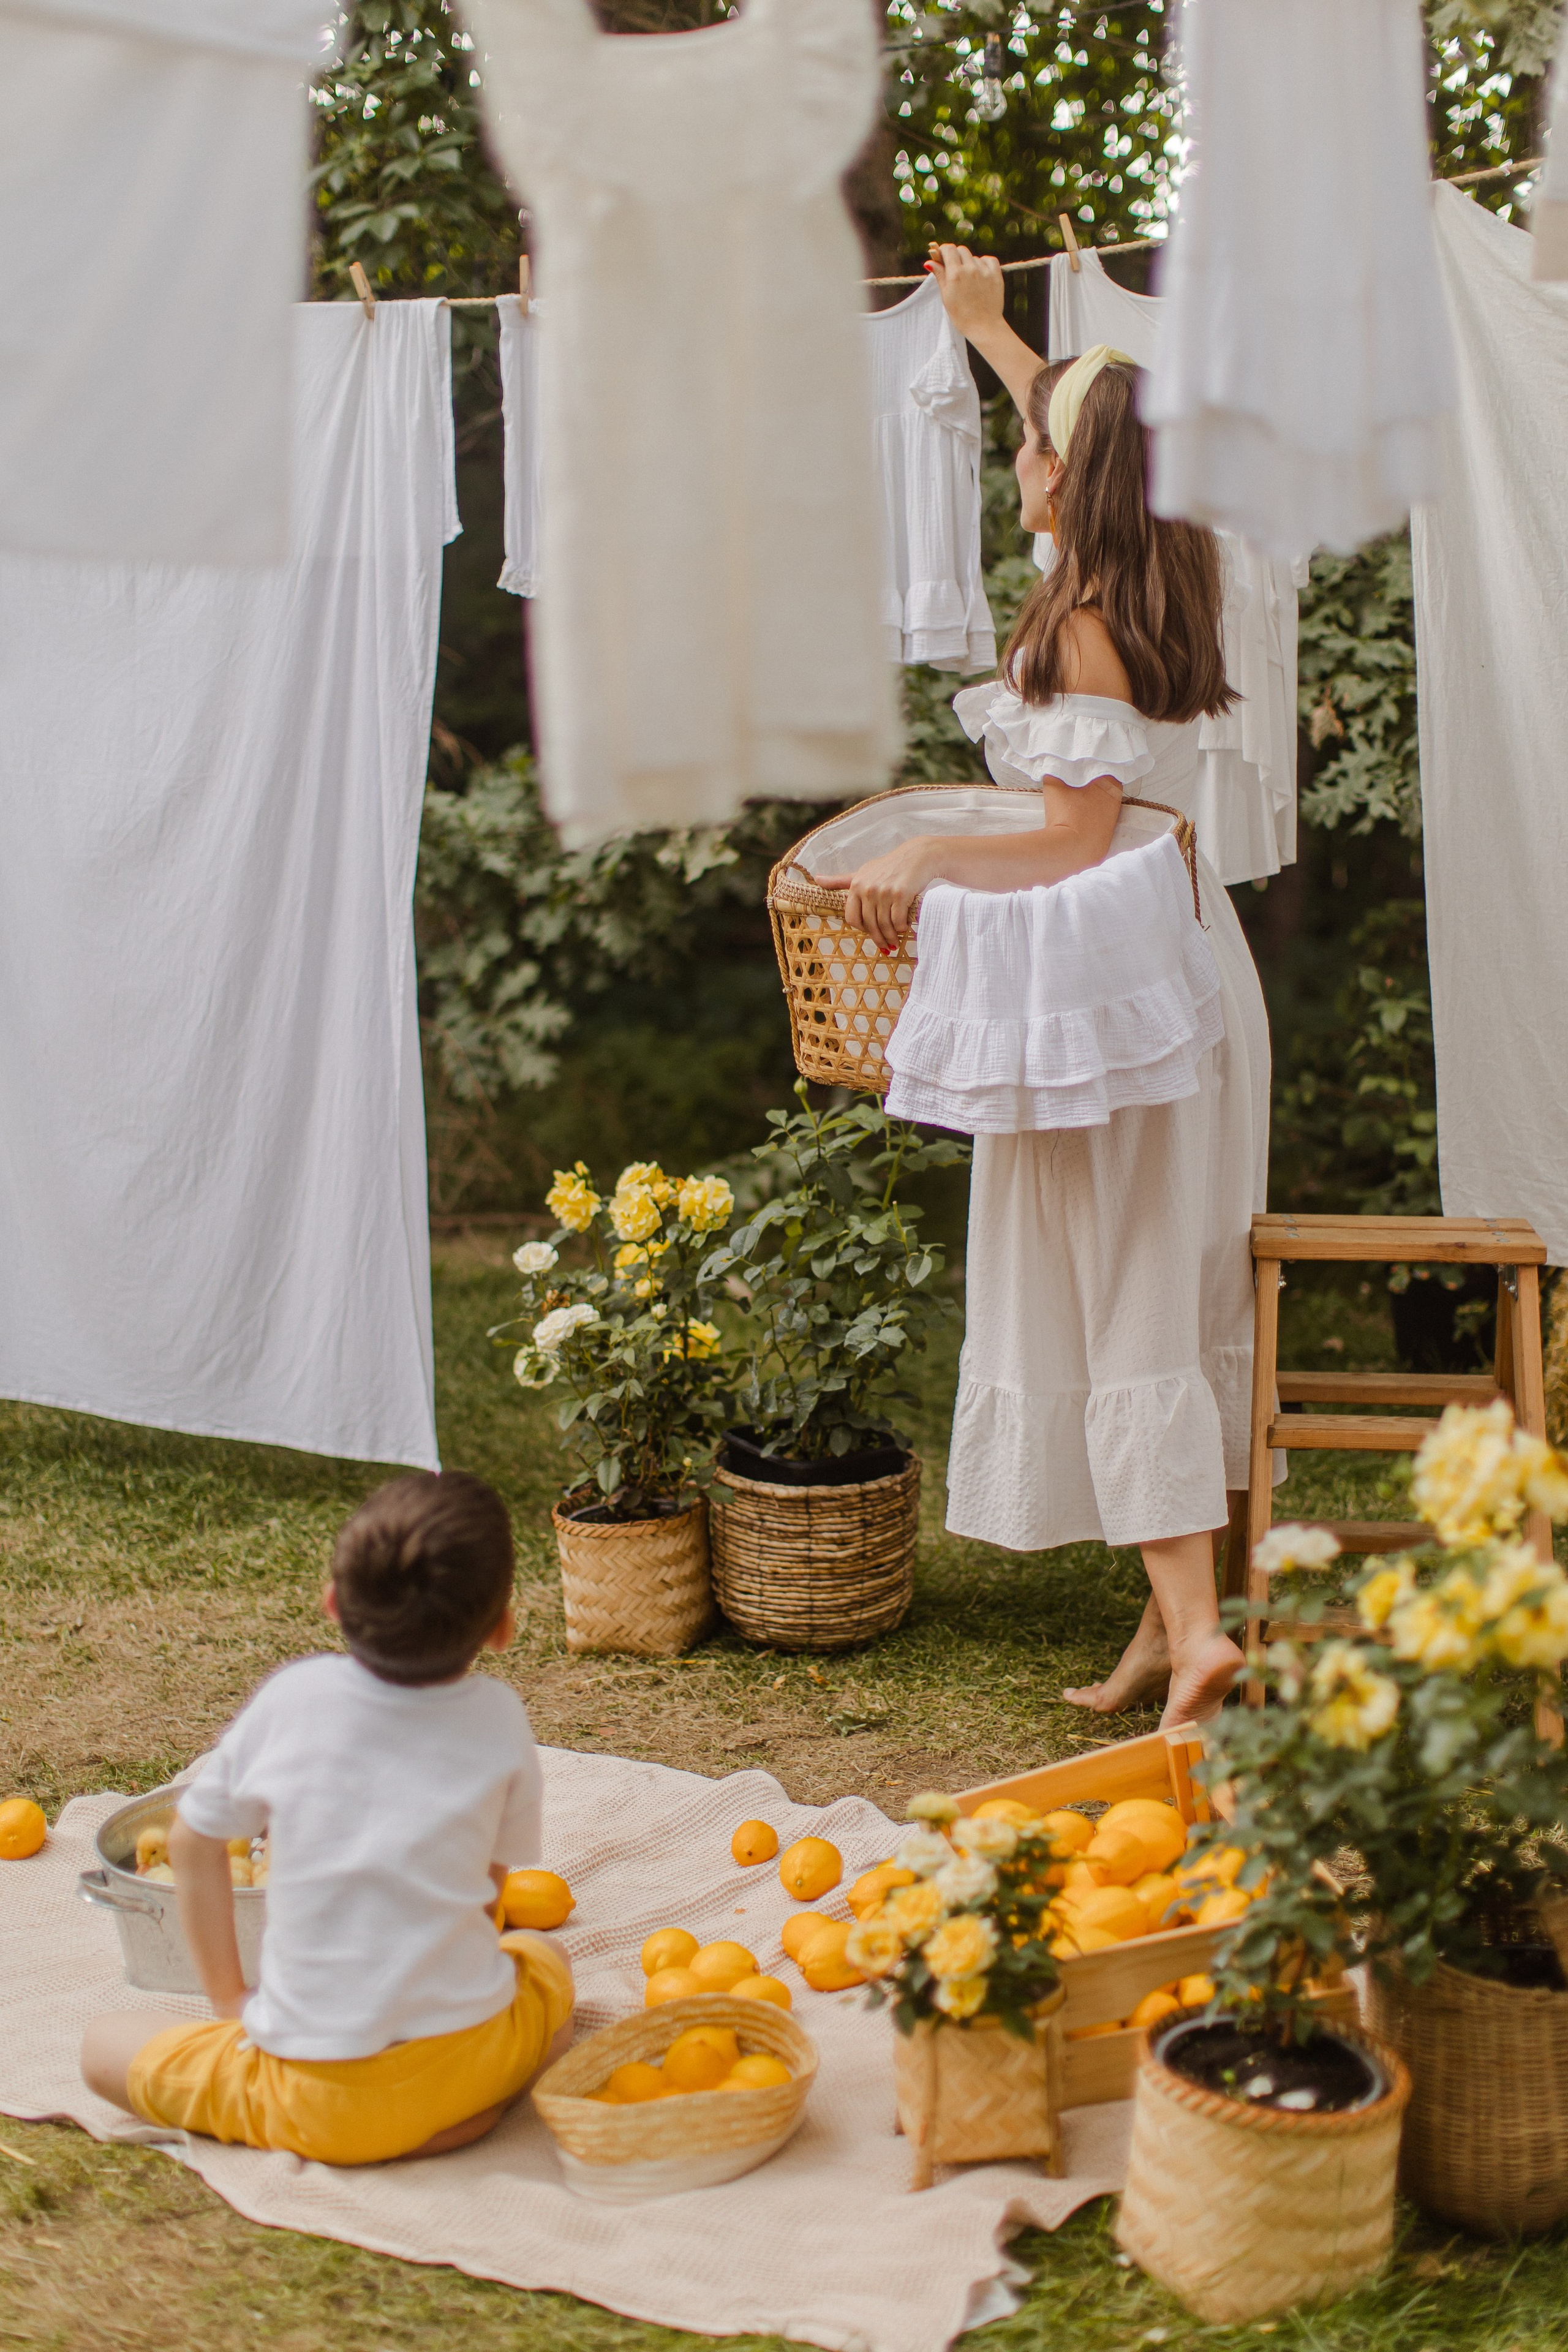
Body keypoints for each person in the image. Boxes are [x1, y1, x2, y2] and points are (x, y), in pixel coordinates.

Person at [824, 246, 1280, 1730]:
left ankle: (1201, 1630)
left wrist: (928, 857)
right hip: (1143, 965)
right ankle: (1182, 1620)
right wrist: (989, 335)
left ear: (1065, 482)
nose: (1010, 457)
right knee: (1141, 1269)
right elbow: (1080, 411)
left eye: (1028, 444)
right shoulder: (1106, 568)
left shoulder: (1079, 620)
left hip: (1120, 981)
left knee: (1131, 1279)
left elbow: (1068, 834)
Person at [81, 1471, 573, 2166]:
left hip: (318, 2101)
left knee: (102, 2045)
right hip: (469, 2060)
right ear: (501, 1629)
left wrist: (230, 1999)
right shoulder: (501, 1720)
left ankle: (378, 2129)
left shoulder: (294, 1699)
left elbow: (194, 1840)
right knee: (548, 1959)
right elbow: (490, 1896)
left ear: (333, 1603)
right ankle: (466, 2117)